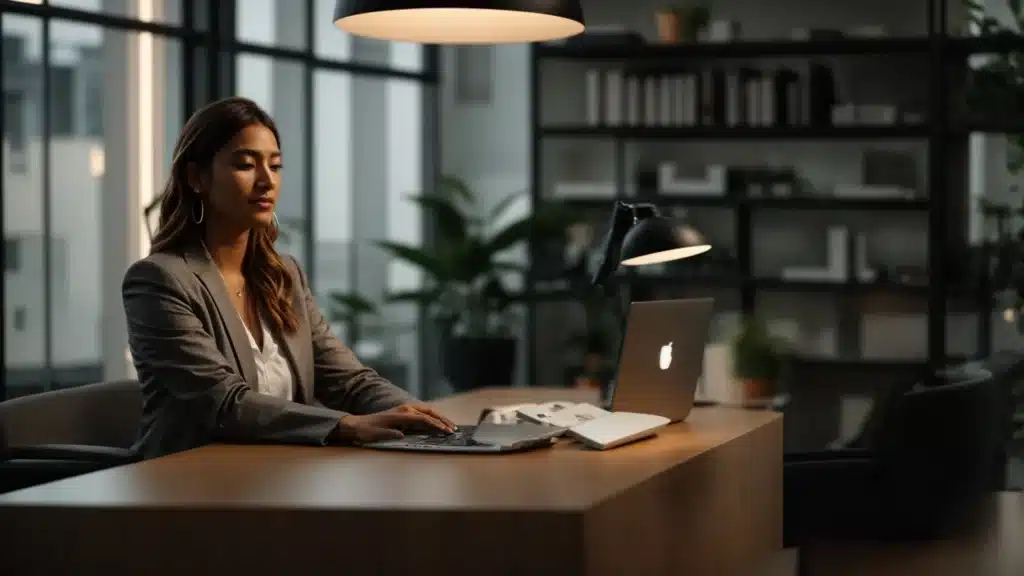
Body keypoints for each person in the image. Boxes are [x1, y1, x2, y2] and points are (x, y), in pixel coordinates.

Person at [122, 96, 454, 459]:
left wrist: (419, 416)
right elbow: (224, 403)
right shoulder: (160, 280)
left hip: (282, 473)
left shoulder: (284, 276)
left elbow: (347, 381)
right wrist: (344, 426)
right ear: (196, 177)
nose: (266, 181)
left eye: (276, 166)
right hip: (189, 483)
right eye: (245, 165)